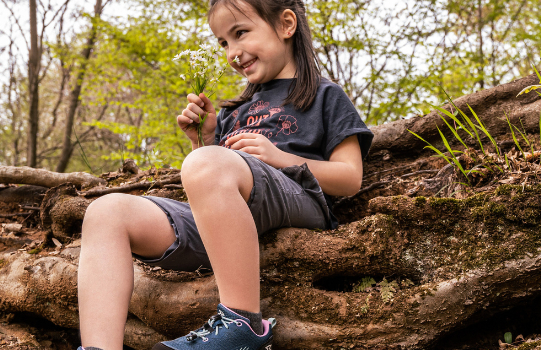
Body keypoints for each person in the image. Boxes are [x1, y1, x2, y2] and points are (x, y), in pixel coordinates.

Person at [75, 0, 372, 349]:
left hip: (297, 200)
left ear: (286, 24)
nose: (232, 53)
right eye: (223, 43)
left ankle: (241, 324)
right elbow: (213, 185)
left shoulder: (325, 95)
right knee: (105, 212)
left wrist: (279, 158)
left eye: (240, 33)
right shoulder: (234, 111)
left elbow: (350, 177)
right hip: (231, 223)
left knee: (209, 163)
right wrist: (202, 141)